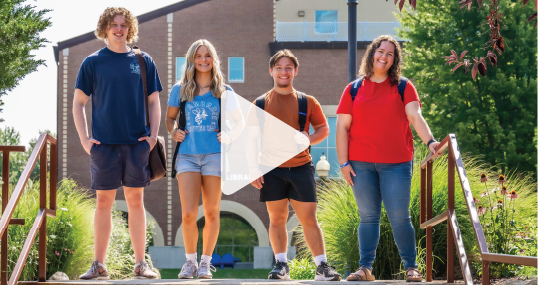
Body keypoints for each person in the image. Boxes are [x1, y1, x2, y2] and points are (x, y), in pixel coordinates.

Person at [336, 35, 440, 282]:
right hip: (360, 164)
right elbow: (342, 127)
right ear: (372, 53)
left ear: (395, 60)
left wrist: (431, 141)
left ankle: (411, 267)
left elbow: (415, 116)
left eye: (390, 54)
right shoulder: (353, 89)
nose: (384, 56)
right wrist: (343, 163)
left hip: (396, 164)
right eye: (380, 51)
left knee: (399, 216)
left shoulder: (403, 86)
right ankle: (365, 269)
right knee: (368, 217)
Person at [73, 7, 162, 280]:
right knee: (103, 203)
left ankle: (140, 264)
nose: (119, 29)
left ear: (130, 28)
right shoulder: (92, 62)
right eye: (113, 24)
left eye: (123, 25)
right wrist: (86, 141)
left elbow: (154, 102)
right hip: (104, 146)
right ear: (105, 28)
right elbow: (78, 103)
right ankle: (98, 265)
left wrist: (151, 138)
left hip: (137, 144)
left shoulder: (143, 60)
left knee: (136, 201)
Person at [247, 49, 342, 281]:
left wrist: (309, 139)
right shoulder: (259, 104)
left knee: (309, 218)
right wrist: (253, 168)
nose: (283, 71)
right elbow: (249, 139)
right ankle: (281, 265)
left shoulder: (307, 102)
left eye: (288, 67)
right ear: (271, 71)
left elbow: (324, 129)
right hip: (271, 169)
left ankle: (322, 267)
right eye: (279, 67)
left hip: (301, 167)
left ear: (295, 71)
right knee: (276, 219)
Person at [165, 39, 244, 279]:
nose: (203, 60)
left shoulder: (224, 91)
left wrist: (229, 135)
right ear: (192, 59)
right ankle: (189, 262)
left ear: (213, 59)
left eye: (207, 55)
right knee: (189, 213)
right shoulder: (179, 89)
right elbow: (169, 119)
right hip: (187, 156)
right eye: (199, 56)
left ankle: (205, 263)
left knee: (211, 212)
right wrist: (173, 131)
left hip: (215, 156)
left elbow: (239, 123)